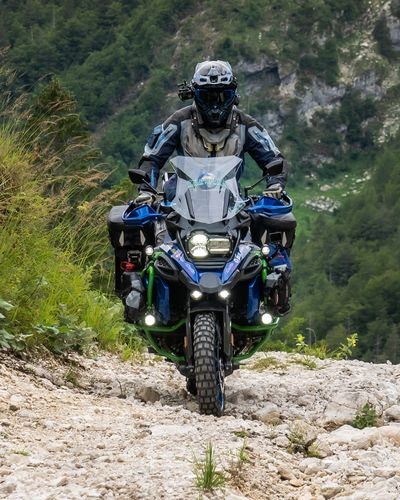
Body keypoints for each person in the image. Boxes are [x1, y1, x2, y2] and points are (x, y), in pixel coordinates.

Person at [135, 60, 296, 313]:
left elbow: (274, 159)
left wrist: (275, 185)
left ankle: (273, 293)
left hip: (230, 201)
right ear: (194, 94)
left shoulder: (246, 125)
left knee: (270, 237)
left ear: (233, 94)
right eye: (208, 96)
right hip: (181, 200)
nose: (215, 103)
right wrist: (146, 190)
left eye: (222, 95)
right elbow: (151, 159)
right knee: (153, 244)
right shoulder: (178, 122)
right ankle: (142, 295)